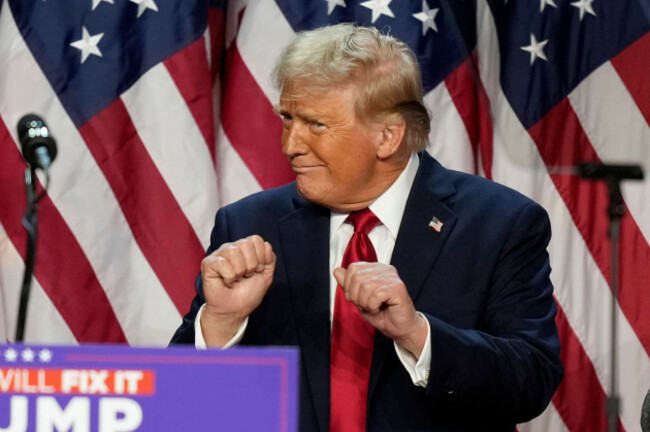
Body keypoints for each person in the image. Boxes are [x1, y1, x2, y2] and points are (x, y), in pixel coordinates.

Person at [171, 23, 563, 431]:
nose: (291, 144)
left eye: (316, 124)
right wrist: (220, 322)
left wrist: (417, 334)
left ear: (388, 136)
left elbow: (530, 381)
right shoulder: (250, 224)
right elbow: (181, 404)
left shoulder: (499, 224)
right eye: (288, 118)